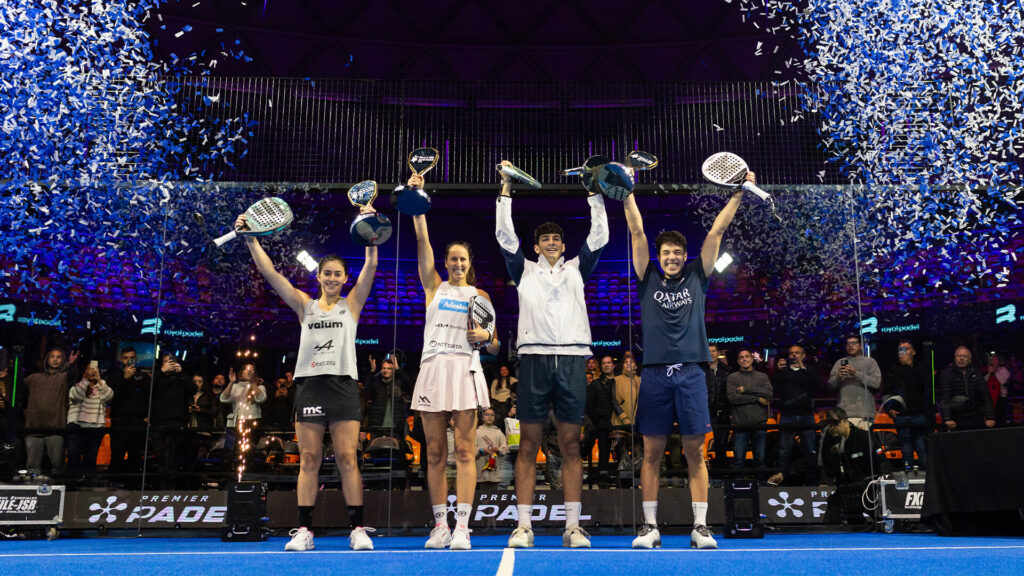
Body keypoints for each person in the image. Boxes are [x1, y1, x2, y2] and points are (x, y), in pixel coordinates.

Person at [621, 170, 757, 549]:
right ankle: (649, 528)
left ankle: (700, 527)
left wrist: (737, 195)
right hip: (655, 375)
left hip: (693, 373)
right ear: (659, 257)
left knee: (696, 451)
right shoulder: (646, 276)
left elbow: (714, 234)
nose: (671, 257)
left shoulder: (699, 275)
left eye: (677, 253)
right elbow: (637, 232)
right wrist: (628, 192)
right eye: (666, 253)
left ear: (685, 257)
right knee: (651, 452)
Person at [237, 208, 379, 552]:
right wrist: (252, 239)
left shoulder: (352, 305)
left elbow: (371, 266)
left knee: (348, 458)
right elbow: (271, 274)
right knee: (310, 460)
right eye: (327, 273)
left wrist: (370, 231)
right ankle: (304, 530)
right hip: (311, 386)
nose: (332, 278)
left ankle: (357, 528)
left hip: (343, 386)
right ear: (319, 276)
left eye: (337, 274)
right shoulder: (305, 306)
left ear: (345, 278)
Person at [496, 159, 608, 549]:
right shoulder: (523, 269)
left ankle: (572, 527)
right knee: (527, 444)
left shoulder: (579, 268)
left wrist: (593, 191)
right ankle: (523, 526)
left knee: (571, 445)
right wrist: (506, 191)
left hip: (573, 360)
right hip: (534, 361)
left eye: (557, 239)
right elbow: (504, 237)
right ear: (536, 246)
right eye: (545, 239)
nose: (552, 243)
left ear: (563, 245)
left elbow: (599, 235)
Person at [410, 171, 500, 551]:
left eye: (462, 259)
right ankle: (439, 525)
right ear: (446, 263)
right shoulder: (435, 287)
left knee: (464, 450)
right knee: (434, 452)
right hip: (433, 368)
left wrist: (486, 338)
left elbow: (495, 346)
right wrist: (418, 203)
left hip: (465, 368)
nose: (457, 263)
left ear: (469, 262)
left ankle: (462, 526)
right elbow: (422, 240)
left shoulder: (479, 295)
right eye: (452, 259)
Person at [819, 407, 887, 524]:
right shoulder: (830, 442)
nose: (833, 427)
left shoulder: (864, 437)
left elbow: (882, 463)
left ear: (846, 421)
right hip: (848, 489)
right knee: (833, 507)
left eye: (836, 423)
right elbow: (828, 467)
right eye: (830, 425)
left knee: (881, 517)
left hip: (870, 487)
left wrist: (882, 485)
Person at [24, 347, 78, 475]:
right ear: (47, 360)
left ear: (63, 360)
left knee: (58, 464)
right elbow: (17, 386)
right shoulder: (34, 378)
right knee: (32, 466)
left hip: (56, 429)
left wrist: (71, 364)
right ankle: (31, 490)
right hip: (34, 428)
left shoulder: (64, 378)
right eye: (52, 356)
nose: (55, 359)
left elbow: (72, 376)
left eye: (58, 357)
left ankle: (58, 491)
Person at [882, 340, 933, 469]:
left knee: (921, 446)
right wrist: (890, 409)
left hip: (919, 414)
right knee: (906, 449)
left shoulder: (922, 368)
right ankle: (908, 479)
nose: (902, 352)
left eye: (906, 349)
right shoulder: (893, 370)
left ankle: (928, 480)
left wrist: (909, 366)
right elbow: (886, 392)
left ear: (913, 352)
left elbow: (926, 388)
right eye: (900, 349)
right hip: (901, 415)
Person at [774, 345, 819, 472]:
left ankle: (812, 483)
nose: (794, 355)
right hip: (787, 415)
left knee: (810, 450)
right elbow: (775, 389)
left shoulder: (809, 370)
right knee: (784, 451)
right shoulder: (783, 371)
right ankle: (782, 482)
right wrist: (778, 370)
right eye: (791, 353)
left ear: (803, 355)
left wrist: (803, 368)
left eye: (797, 353)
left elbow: (818, 385)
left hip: (806, 414)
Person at [66, 362, 113, 482]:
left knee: (90, 459)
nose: (92, 372)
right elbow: (76, 396)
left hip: (95, 427)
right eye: (89, 369)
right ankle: (71, 486)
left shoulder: (102, 387)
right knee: (73, 458)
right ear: (85, 371)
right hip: (76, 425)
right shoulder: (77, 385)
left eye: (95, 370)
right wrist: (85, 380)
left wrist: (100, 381)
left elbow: (109, 397)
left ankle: (87, 487)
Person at [105, 347, 149, 476]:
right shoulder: (114, 375)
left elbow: (148, 396)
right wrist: (125, 378)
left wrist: (146, 416)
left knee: (135, 456)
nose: (129, 360)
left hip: (138, 422)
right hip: (120, 421)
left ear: (136, 358)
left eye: (132, 358)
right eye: (126, 358)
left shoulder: (144, 375)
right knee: (117, 455)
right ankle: (114, 486)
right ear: (121, 359)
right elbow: (112, 397)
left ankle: (133, 487)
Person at [727, 349, 773, 473]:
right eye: (741, 357)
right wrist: (757, 398)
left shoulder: (762, 377)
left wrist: (746, 389)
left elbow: (769, 393)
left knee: (761, 460)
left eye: (747, 356)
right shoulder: (732, 378)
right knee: (738, 460)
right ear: (738, 361)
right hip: (740, 425)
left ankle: (762, 489)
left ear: (752, 359)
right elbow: (732, 398)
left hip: (759, 424)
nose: (744, 359)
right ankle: (737, 489)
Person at [150, 352, 191, 488]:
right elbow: (148, 389)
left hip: (177, 422)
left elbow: (192, 389)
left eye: (172, 361)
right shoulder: (157, 376)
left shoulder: (181, 378)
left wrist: (182, 373)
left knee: (174, 456)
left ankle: (172, 487)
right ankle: (159, 486)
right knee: (160, 455)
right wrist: (162, 371)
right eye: (167, 361)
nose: (170, 364)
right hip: (158, 422)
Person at [827, 335, 882, 430]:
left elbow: (876, 383)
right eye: (848, 344)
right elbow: (830, 387)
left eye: (854, 343)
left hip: (865, 415)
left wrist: (856, 373)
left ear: (860, 346)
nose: (850, 346)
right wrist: (838, 376)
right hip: (843, 414)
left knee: (863, 444)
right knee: (846, 444)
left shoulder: (870, 362)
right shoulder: (839, 363)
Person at [582, 355, 620, 487]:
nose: (606, 365)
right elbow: (589, 406)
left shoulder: (620, 382)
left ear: (613, 365)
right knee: (603, 449)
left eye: (609, 363)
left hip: (621, 422)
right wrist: (598, 421)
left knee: (621, 449)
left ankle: (622, 476)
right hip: (602, 423)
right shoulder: (595, 384)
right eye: (604, 363)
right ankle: (603, 475)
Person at [937, 346, 995, 431]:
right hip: (956, 417)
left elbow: (986, 396)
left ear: (970, 360)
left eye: (965, 356)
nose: (961, 358)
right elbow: (945, 398)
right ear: (955, 358)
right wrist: (947, 419)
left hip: (975, 416)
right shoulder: (946, 374)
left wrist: (991, 417)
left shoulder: (977, 373)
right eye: (959, 356)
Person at [220, 363, 267, 429]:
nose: (249, 371)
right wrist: (231, 382)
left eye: (252, 369)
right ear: (241, 373)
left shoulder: (260, 387)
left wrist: (252, 382)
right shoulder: (235, 386)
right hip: (238, 421)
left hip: (253, 421)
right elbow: (224, 399)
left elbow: (261, 399)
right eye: (247, 369)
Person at [475, 408, 509, 490]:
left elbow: (505, 448)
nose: (489, 417)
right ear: (482, 417)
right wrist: (481, 450)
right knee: (481, 493)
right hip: (480, 467)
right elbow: (471, 448)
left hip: (495, 468)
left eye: (492, 415)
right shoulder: (477, 432)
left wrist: (498, 450)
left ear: (494, 418)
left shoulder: (498, 432)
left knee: (493, 493)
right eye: (487, 415)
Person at [985, 354, 1010, 424]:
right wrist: (989, 373)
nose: (994, 361)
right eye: (992, 359)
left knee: (1000, 417)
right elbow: (984, 382)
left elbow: (1002, 381)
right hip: (990, 398)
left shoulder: (1004, 370)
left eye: (996, 359)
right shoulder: (988, 370)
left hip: (1001, 397)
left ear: (999, 361)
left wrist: (995, 371)